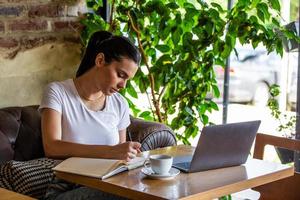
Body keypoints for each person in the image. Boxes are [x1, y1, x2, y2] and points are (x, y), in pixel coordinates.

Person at [39, 31, 141, 200]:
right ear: (100, 60)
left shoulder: (119, 103)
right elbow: (52, 147)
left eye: (128, 79)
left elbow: (120, 159)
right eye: (120, 75)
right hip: (65, 188)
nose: (123, 85)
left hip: (108, 183)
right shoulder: (57, 92)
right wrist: (110, 152)